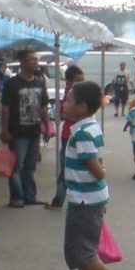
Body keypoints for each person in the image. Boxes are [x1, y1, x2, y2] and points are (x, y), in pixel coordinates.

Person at [51, 81, 135, 270]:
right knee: (85, 250)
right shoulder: (90, 126)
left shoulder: (81, 132)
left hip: (84, 201)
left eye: (68, 100)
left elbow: (95, 167)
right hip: (90, 198)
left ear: (81, 107)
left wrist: (102, 173)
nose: (64, 104)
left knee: (80, 252)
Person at [0, 48, 50, 208]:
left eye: (36, 59)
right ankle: (16, 197)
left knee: (30, 166)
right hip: (18, 133)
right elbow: (6, 109)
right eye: (31, 59)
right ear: (22, 62)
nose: (35, 62)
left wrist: (47, 127)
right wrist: (5, 130)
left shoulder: (39, 82)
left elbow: (43, 107)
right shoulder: (12, 83)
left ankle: (30, 196)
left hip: (35, 131)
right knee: (17, 165)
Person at [48, 65, 85, 210]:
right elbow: (63, 113)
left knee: (69, 169)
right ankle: (60, 199)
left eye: (83, 80)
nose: (81, 82)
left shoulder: (78, 93)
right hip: (69, 134)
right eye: (78, 80)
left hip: (74, 134)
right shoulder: (72, 94)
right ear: (69, 82)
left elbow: (66, 114)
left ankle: (59, 200)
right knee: (67, 169)